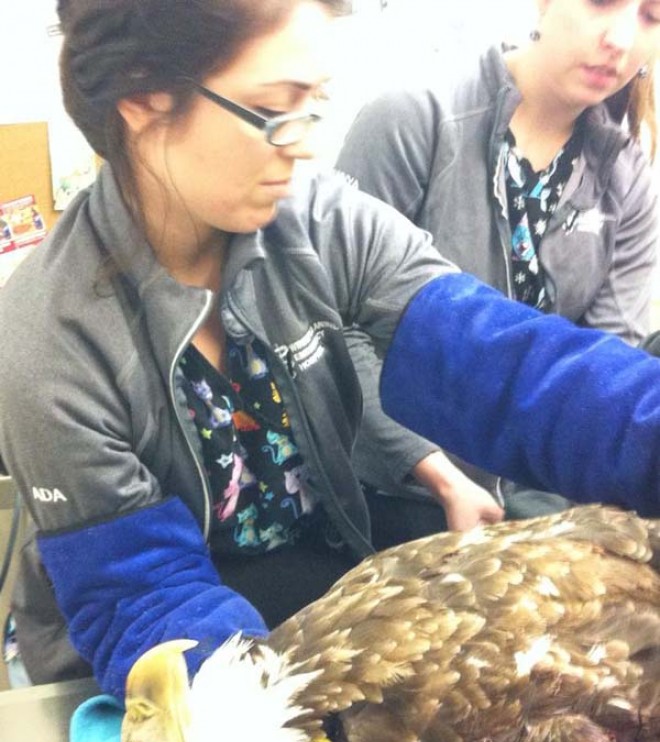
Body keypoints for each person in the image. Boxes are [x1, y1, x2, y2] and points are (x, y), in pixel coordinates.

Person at [3, 0, 660, 700]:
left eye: (314, 104)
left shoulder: (318, 223)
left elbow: (502, 362)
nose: (306, 143)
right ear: (143, 97)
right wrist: (279, 724)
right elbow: (142, 595)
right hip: (151, 665)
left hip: (312, 581)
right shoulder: (49, 341)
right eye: (275, 108)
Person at [337, 0, 660, 520]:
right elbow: (336, 325)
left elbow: (606, 360)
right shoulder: (414, 119)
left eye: (652, 16)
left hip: (541, 497)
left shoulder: (628, 177)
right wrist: (439, 477)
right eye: (603, 2)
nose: (620, 39)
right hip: (396, 484)